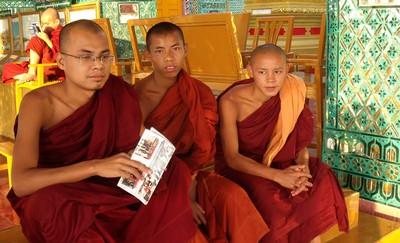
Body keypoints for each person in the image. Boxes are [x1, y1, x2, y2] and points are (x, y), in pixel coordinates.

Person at [7, 19, 197, 242]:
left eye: (104, 56)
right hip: (64, 191)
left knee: (176, 169)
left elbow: (144, 142)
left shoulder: (118, 91)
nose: (98, 65)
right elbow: (21, 183)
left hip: (113, 188)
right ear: (61, 61)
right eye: (86, 56)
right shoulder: (38, 103)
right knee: (46, 205)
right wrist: (96, 167)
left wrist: (184, 192)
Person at [134, 22, 269, 242]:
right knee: (187, 231)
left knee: (233, 198)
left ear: (185, 49)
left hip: (192, 176)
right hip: (154, 183)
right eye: (159, 51)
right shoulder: (137, 97)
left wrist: (189, 186)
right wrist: (180, 195)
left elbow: (203, 150)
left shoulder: (198, 93)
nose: (169, 58)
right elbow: (139, 155)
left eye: (175, 49)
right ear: (147, 54)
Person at [215, 44, 349, 243]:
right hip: (245, 167)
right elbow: (232, 158)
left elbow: (298, 145)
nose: (271, 79)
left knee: (319, 179)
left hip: (282, 161)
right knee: (273, 200)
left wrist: (302, 169)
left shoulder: (291, 91)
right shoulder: (231, 102)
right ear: (250, 71)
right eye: (262, 72)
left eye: (277, 71)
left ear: (287, 70)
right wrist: (278, 176)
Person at [2, 7, 64, 83]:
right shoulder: (45, 34)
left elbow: (63, 55)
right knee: (7, 67)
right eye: (42, 23)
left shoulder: (64, 34)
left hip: (52, 67)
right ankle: (33, 76)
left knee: (36, 40)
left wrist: (47, 40)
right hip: (38, 67)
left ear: (57, 22)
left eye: (47, 24)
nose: (44, 26)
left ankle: (33, 74)